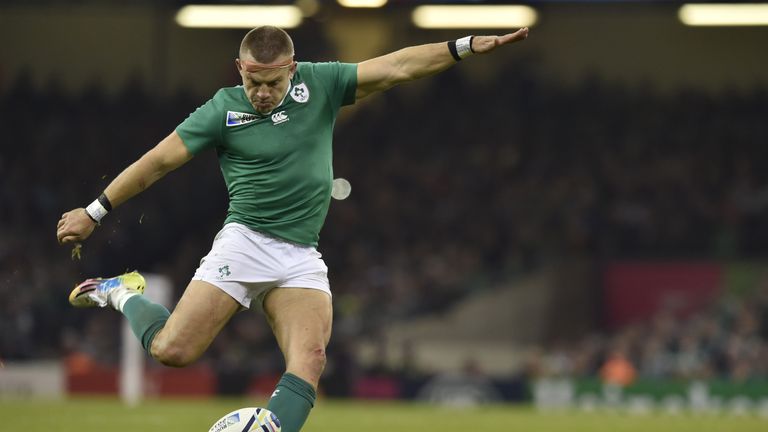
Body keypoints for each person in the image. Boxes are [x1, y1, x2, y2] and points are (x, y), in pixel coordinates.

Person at [56, 25, 529, 431]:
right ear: (238, 67)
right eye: (253, 81)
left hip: (301, 253)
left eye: (273, 83)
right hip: (244, 243)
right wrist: (94, 211)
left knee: (311, 360)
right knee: (173, 351)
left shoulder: (320, 84)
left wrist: (464, 46)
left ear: (293, 68)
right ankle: (120, 291)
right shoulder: (222, 109)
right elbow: (157, 163)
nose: (261, 93)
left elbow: (398, 66)